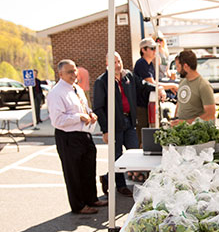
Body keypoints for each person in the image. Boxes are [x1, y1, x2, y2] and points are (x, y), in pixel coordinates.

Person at [47, 59, 107, 214]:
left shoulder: (77, 89)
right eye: (69, 72)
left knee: (88, 168)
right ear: (60, 74)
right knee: (73, 172)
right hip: (68, 137)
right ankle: (79, 206)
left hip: (84, 134)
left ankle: (91, 198)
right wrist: (78, 117)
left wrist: (90, 114)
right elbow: (57, 120)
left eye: (74, 70)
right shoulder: (56, 93)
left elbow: (85, 108)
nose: (74, 74)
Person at [93, 52, 152, 195]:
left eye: (119, 61)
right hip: (114, 125)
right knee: (117, 156)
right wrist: (105, 129)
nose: (118, 65)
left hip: (130, 122)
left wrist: (160, 88)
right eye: (113, 62)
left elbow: (143, 85)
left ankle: (107, 177)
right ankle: (120, 185)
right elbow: (98, 108)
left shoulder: (128, 76)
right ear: (107, 64)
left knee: (135, 153)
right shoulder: (102, 82)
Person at [133, 38, 176, 144]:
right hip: (141, 105)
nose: (155, 51)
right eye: (152, 48)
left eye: (155, 49)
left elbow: (156, 82)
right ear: (143, 50)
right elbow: (152, 83)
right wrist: (171, 86)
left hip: (147, 104)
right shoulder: (141, 63)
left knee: (151, 132)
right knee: (143, 136)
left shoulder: (149, 64)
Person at [170, 50, 215, 125]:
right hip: (181, 131)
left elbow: (210, 114)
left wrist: (185, 123)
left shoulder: (204, 85)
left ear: (186, 66)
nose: (177, 70)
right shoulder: (182, 81)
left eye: (178, 66)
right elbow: (180, 102)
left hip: (196, 133)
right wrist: (176, 119)